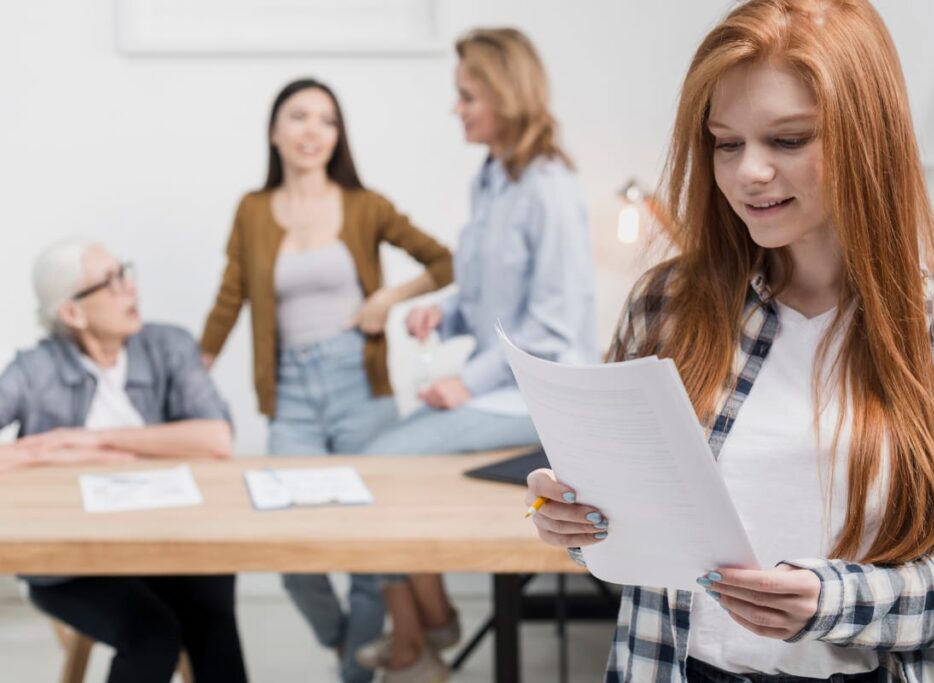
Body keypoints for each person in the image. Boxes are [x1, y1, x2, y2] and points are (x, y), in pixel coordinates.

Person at [525, 1, 934, 681]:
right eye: (726, 143)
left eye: (787, 140)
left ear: (866, 138)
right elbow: (629, 531)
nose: (747, 172)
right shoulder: (666, 307)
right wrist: (580, 526)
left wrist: (836, 601)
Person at [357, 28, 598, 682]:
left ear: (504, 94)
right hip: (501, 383)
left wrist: (467, 381)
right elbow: (495, 297)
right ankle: (423, 632)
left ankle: (424, 634)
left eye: (467, 95)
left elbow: (550, 327)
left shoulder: (549, 186)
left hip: (542, 391)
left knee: (377, 461)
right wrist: (451, 309)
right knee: (375, 457)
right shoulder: (491, 180)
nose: (456, 109)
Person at [198, 78, 453, 683]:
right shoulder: (253, 210)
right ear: (274, 132)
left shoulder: (364, 205)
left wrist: (388, 297)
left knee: (371, 551)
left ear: (338, 136)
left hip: (359, 388)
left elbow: (443, 260)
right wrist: (195, 366)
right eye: (299, 116)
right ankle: (353, 648)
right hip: (290, 394)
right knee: (294, 555)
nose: (313, 130)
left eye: (327, 120)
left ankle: (356, 672)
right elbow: (231, 295)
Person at [0, 239, 246, 683]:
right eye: (109, 283)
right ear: (71, 313)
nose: (129, 289)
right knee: (153, 637)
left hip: (170, 546)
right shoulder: (35, 370)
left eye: (124, 274)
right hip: (74, 565)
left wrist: (84, 440)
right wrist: (39, 452)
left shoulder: (168, 345)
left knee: (212, 612)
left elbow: (216, 438)